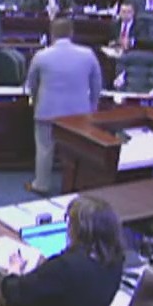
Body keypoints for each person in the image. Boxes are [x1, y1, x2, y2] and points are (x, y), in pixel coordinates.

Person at [0, 195, 123, 306]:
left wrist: (14, 269)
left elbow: (14, 291)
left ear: (78, 230)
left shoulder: (65, 266)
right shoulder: (115, 262)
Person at [25, 19, 102, 194]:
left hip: (47, 111)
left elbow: (31, 84)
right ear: (71, 33)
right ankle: (76, 185)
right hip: (79, 114)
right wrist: (92, 107)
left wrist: (36, 102)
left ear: (52, 34)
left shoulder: (41, 56)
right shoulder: (88, 54)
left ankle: (41, 184)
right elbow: (97, 84)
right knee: (78, 151)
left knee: (44, 149)